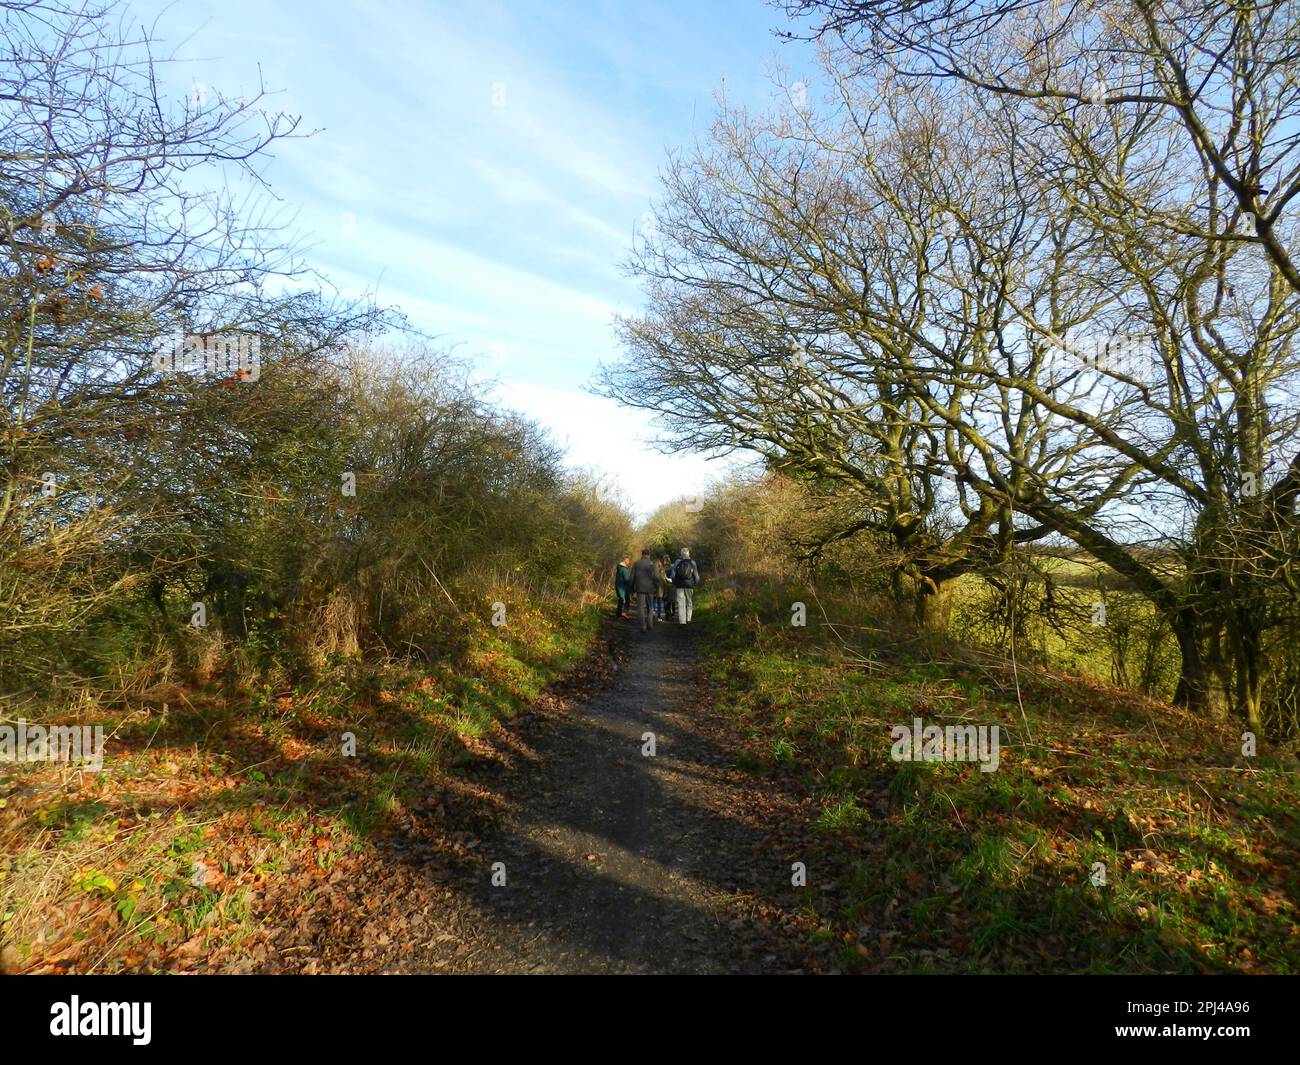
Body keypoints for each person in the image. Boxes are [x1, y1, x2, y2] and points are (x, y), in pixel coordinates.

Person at [631, 548, 660, 633]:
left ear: (642, 554)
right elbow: (657, 578)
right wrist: (657, 586)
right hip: (650, 589)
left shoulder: (636, 564)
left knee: (640, 608)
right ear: (649, 555)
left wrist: (632, 587)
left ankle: (643, 626)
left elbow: (631, 578)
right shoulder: (652, 564)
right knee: (650, 607)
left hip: (639, 589)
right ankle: (650, 624)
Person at [671, 547, 699, 624]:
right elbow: (696, 576)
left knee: (681, 603)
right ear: (688, 553)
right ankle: (688, 619)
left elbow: (673, 575)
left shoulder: (677, 561)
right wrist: (695, 583)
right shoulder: (693, 562)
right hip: (689, 585)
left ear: (681, 553)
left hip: (679, 585)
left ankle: (682, 621)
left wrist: (674, 582)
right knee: (689, 602)